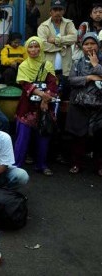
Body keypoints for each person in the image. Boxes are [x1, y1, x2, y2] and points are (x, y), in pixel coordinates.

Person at [14, 36, 58, 176]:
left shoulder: (48, 64)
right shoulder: (24, 66)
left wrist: (45, 100)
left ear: (41, 47)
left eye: (36, 46)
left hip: (44, 106)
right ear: (26, 49)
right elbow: (25, 84)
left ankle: (42, 165)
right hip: (27, 106)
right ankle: (16, 165)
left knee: (43, 136)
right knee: (22, 137)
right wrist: (42, 95)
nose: (33, 50)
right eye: (30, 47)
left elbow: (52, 82)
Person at [65, 32, 102, 177]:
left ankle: (99, 166)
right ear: (82, 47)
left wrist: (96, 66)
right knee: (78, 137)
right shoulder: (77, 62)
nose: (89, 47)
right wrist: (88, 77)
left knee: (100, 137)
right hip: (79, 105)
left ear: (98, 46)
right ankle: (76, 163)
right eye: (86, 44)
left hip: (99, 107)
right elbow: (71, 80)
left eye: (93, 43)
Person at [37, 0, 77, 100]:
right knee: (49, 96)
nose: (57, 12)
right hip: (49, 69)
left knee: (65, 96)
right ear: (50, 12)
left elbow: (74, 38)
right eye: (55, 10)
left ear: (63, 11)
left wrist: (56, 40)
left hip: (65, 69)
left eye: (60, 10)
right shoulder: (43, 26)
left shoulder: (69, 24)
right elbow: (43, 45)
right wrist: (63, 45)